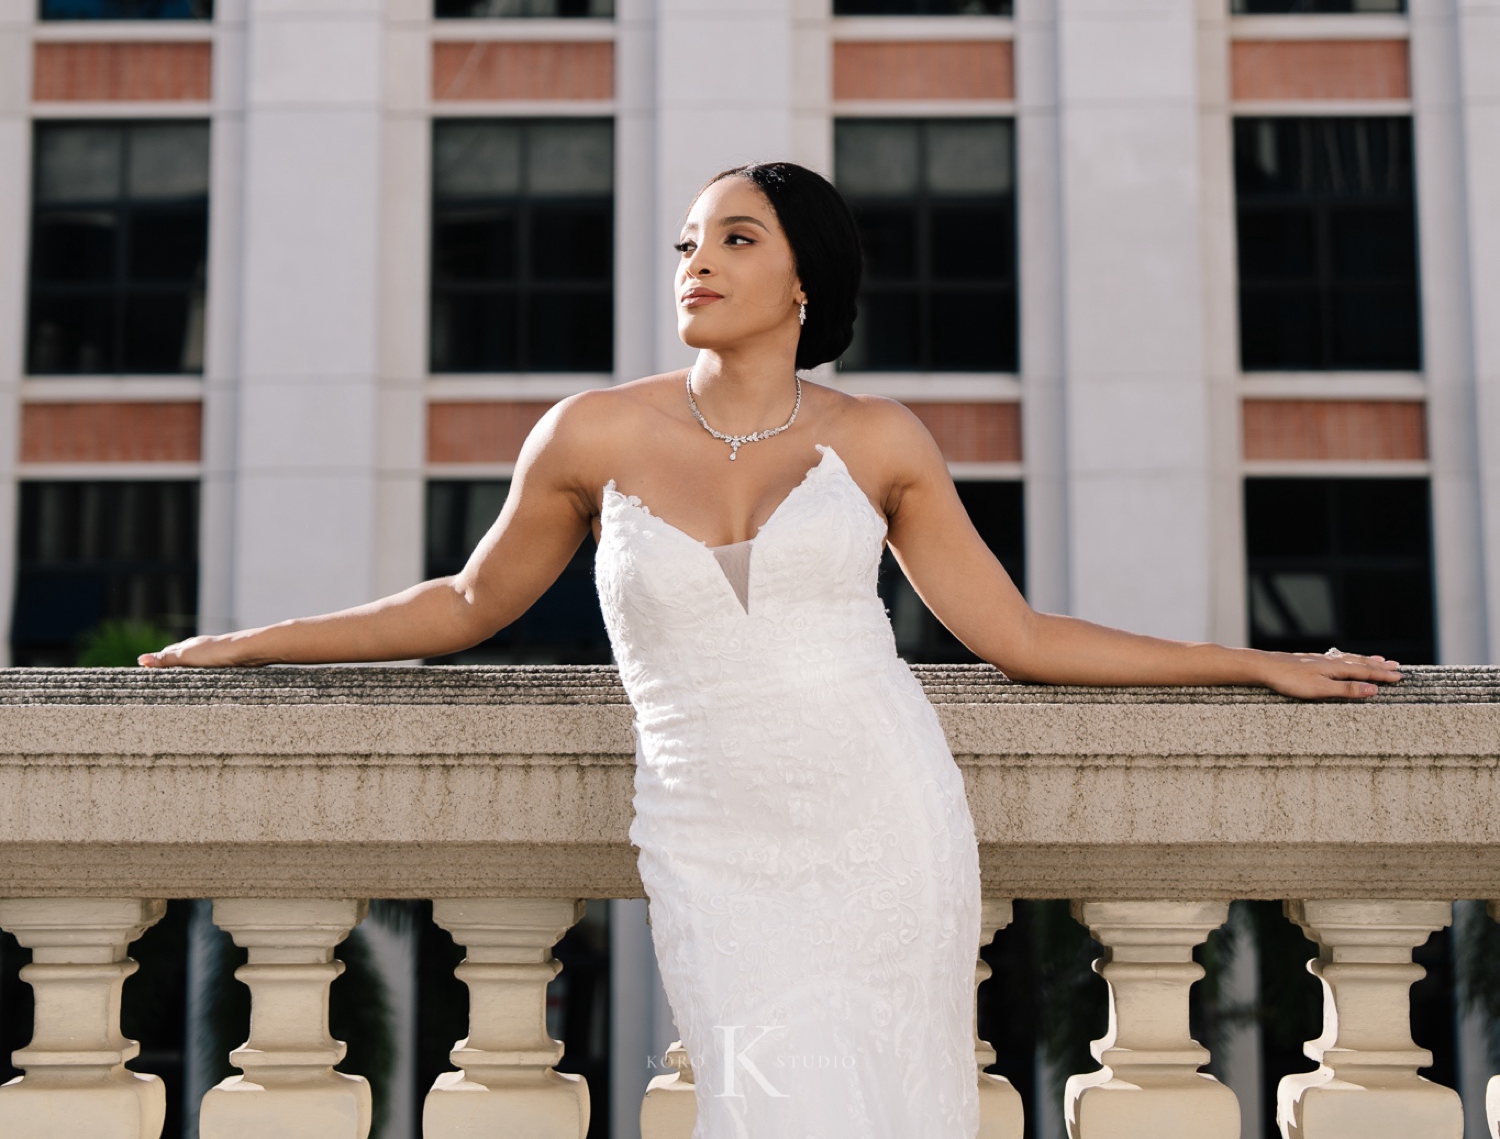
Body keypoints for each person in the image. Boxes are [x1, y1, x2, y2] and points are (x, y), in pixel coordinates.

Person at [143, 160, 1399, 1139]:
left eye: (736, 238)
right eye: (689, 240)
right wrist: (254, 646)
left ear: (806, 282)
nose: (699, 260)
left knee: (882, 1107)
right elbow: (468, 603)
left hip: (881, 816)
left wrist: (1255, 663)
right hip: (712, 832)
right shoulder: (591, 432)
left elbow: (1018, 636)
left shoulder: (880, 438)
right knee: (762, 1101)